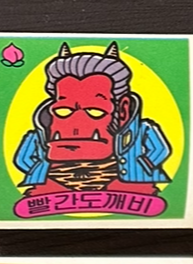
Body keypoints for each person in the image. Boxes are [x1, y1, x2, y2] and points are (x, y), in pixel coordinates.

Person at [13, 42, 171, 199]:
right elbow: (23, 159)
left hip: (130, 187)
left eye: (94, 111)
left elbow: (160, 149)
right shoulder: (40, 134)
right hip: (54, 190)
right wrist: (38, 171)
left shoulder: (142, 129)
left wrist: (143, 166)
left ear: (122, 110)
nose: (76, 125)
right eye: (63, 110)